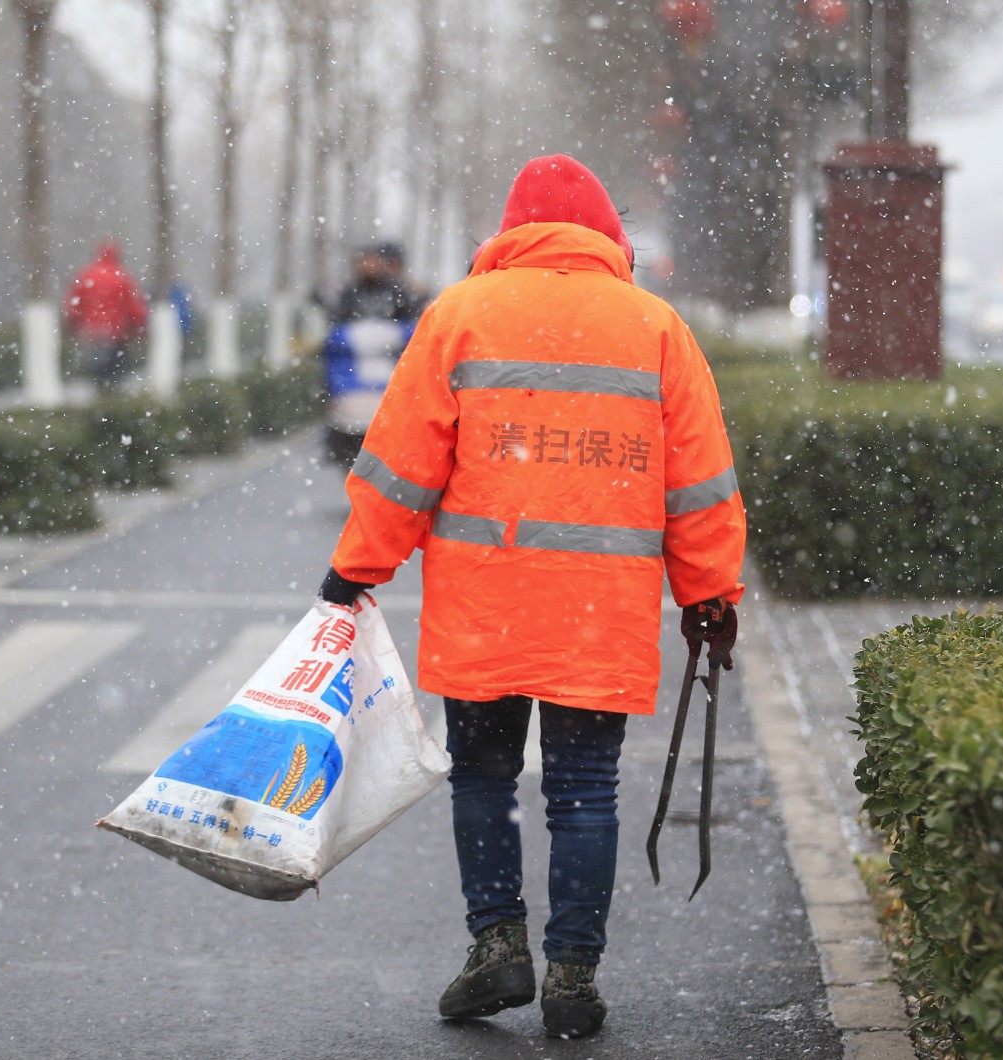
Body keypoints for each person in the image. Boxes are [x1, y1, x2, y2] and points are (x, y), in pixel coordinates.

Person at [314, 155, 746, 1039]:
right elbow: (700, 484)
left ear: (509, 232)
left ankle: (495, 945)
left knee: (483, 777)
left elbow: (403, 466)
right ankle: (575, 976)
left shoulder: (460, 317)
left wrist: (356, 568)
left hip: (485, 607)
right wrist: (709, 595)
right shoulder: (655, 327)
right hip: (602, 609)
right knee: (586, 789)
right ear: (607, 235)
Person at [320, 242, 425, 467]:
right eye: (365, 261)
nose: (370, 266)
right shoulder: (350, 293)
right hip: (354, 385)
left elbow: (411, 325)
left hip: (387, 379)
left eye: (375, 261)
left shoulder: (397, 291)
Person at [62, 242, 149, 391]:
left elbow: (73, 306)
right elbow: (135, 308)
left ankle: (98, 401)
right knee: (115, 377)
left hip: (92, 335)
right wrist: (139, 328)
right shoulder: (123, 278)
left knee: (96, 375)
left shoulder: (85, 276)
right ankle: (113, 406)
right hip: (116, 336)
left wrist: (72, 326)